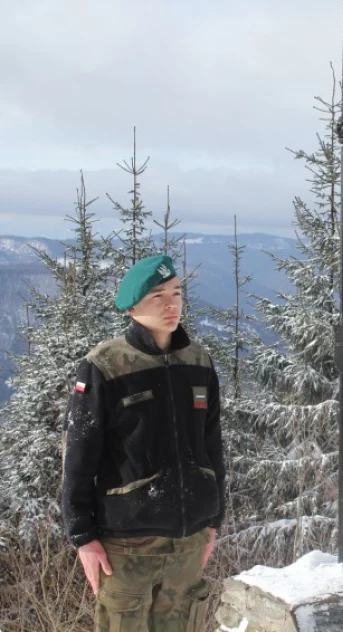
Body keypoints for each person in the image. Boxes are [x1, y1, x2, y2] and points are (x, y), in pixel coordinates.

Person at [62, 254, 225, 631]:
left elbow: (212, 445)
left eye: (176, 293)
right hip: (126, 546)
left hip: (188, 543)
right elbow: (79, 456)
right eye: (158, 296)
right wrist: (83, 537)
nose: (171, 304)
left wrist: (213, 518)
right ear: (133, 307)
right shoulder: (106, 365)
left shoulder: (198, 361)